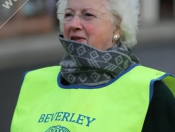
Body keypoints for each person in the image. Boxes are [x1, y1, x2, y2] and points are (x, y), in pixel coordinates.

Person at [11, 0, 175, 131]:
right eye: (69, 15)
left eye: (88, 15)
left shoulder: (151, 92)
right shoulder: (34, 83)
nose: (74, 24)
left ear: (117, 27)